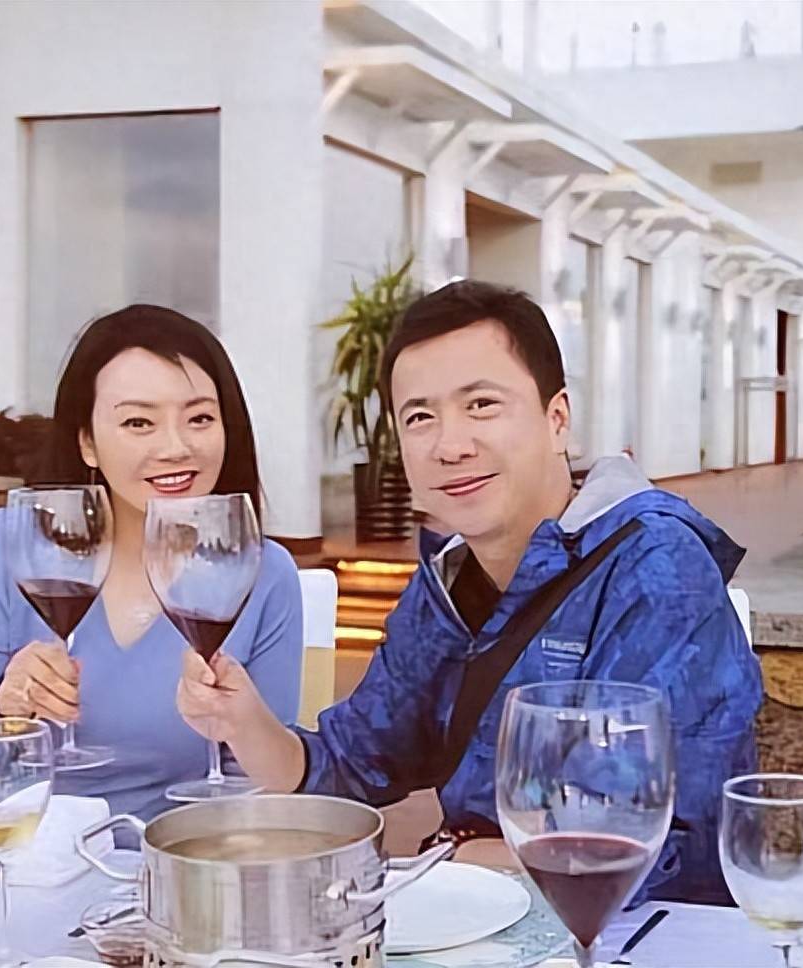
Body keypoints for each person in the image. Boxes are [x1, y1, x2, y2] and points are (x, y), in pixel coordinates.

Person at [177, 281, 761, 901]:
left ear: (557, 420)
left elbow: (659, 850)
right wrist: (244, 723)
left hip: (638, 934)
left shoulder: (654, 567)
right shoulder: (449, 580)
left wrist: (467, 855)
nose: (450, 446)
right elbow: (353, 763)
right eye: (420, 417)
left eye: (481, 405)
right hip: (486, 910)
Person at [0, 304, 302, 820]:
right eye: (138, 422)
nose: (175, 447)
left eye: (199, 418)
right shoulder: (8, 547)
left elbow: (268, 784)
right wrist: (2, 707)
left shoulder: (264, 574)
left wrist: (243, 723)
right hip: (25, 848)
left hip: (180, 855)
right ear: (87, 442)